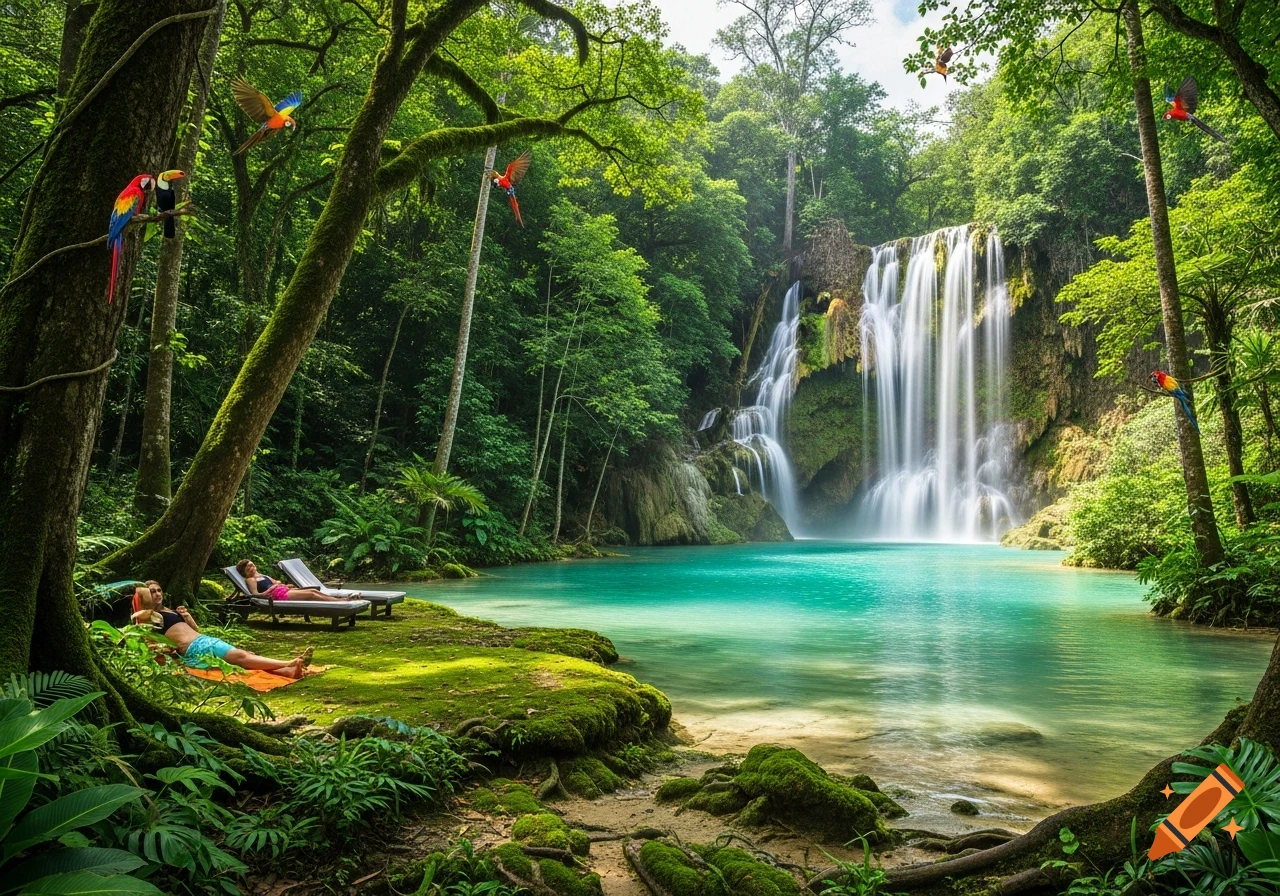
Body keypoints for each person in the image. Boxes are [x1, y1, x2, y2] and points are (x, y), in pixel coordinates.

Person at [131, 581, 312, 678]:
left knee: (243, 660)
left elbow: (194, 629)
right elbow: (152, 644)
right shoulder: (150, 618)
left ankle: (288, 671)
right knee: (242, 657)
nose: (157, 594)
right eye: (152, 592)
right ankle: (288, 663)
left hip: (202, 641)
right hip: (196, 647)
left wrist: (187, 617)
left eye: (159, 590)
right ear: (145, 598)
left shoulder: (167, 611)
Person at [235, 559, 351, 602]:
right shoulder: (250, 579)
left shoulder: (262, 575)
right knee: (311, 594)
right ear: (244, 571)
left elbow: (276, 582)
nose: (252, 567)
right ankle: (338, 602)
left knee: (313, 591)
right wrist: (272, 588)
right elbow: (255, 594)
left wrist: (280, 585)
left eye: (252, 565)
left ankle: (338, 599)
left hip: (282, 590)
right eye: (248, 567)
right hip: (276, 595)